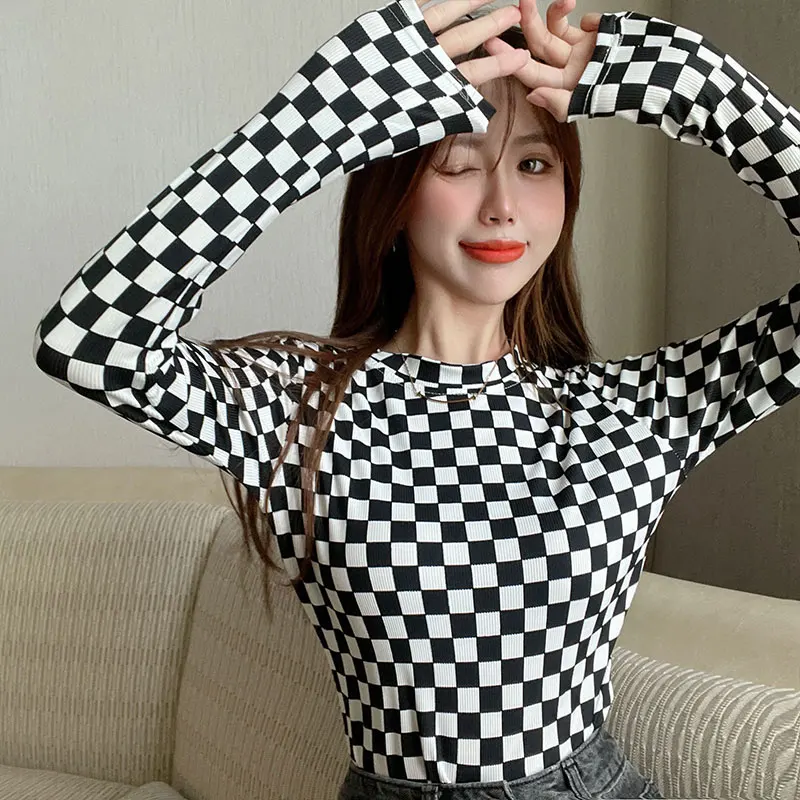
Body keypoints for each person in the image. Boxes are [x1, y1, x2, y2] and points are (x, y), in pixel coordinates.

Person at [33, 0, 800, 797]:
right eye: (458, 164)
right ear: (394, 198)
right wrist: (317, 119)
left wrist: (694, 85)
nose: (501, 204)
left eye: (535, 166)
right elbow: (88, 339)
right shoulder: (297, 408)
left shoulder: (632, 412)